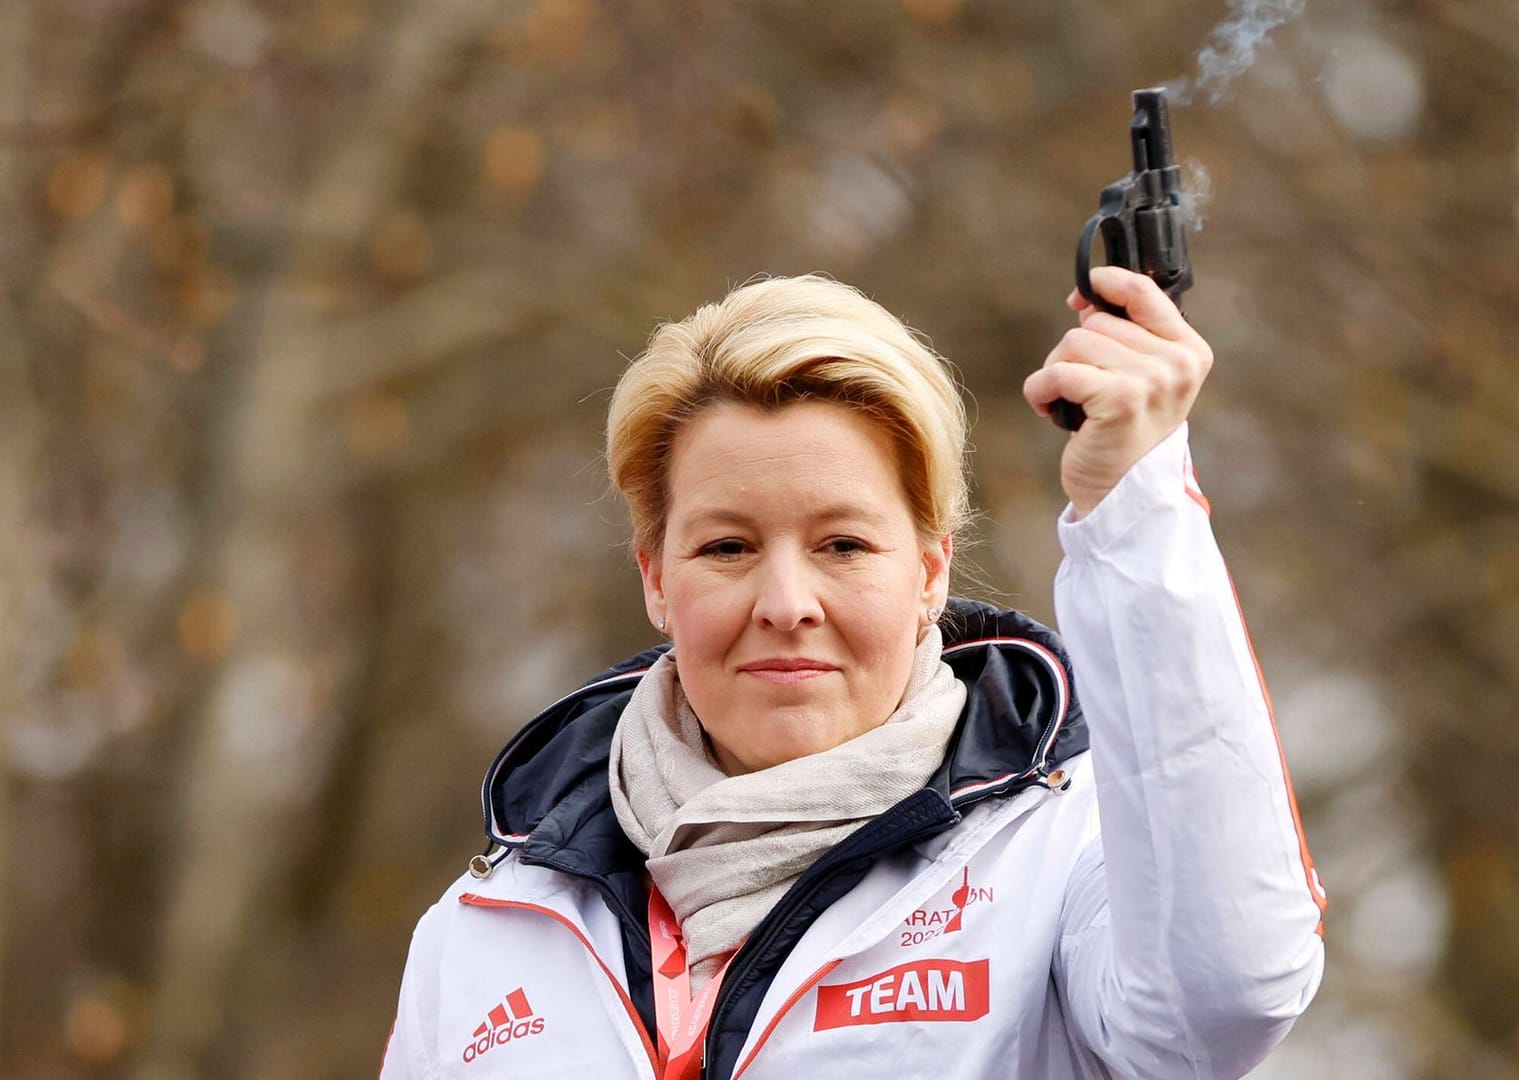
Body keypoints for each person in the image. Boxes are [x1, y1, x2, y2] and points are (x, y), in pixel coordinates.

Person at [381, 267, 1328, 1079]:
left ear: (929, 573)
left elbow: (1226, 995)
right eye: (726, 547)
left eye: (842, 544)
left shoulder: (1064, 859)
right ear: (654, 578)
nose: (786, 601)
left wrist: (1137, 503)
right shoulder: (489, 930)